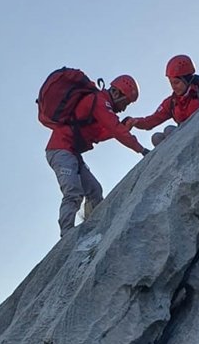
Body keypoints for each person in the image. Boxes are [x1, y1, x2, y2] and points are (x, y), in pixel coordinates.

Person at [45, 74, 147, 236]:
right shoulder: (100, 101)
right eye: (125, 102)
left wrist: (122, 128)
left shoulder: (100, 104)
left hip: (71, 152)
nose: (124, 108)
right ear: (116, 93)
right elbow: (114, 128)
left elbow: (99, 134)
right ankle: (67, 235)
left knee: (94, 191)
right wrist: (141, 149)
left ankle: (93, 229)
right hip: (60, 149)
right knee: (73, 191)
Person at [124, 55, 199, 146]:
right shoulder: (172, 102)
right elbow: (152, 120)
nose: (173, 87)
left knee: (169, 130)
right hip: (184, 137)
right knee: (157, 138)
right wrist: (136, 122)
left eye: (176, 82)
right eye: (171, 83)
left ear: (187, 79)